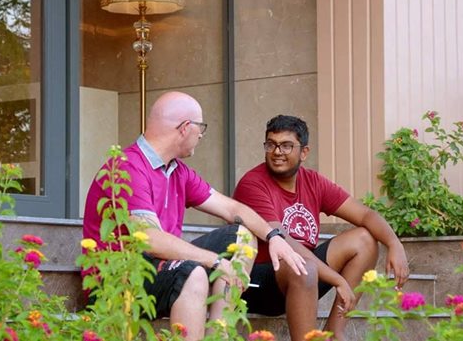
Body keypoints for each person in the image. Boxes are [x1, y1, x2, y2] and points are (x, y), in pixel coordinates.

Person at [82, 92, 307, 341]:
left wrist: (274, 236)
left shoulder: (179, 172)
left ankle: (217, 336)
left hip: (159, 267)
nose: (201, 135)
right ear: (185, 128)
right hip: (119, 280)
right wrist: (215, 261)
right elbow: (149, 239)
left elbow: (234, 210)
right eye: (200, 127)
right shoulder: (127, 166)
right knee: (194, 273)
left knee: (243, 236)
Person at [233, 115, 410, 341]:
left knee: (364, 239)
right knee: (304, 267)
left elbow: (365, 214)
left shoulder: (313, 182)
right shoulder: (253, 184)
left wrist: (394, 244)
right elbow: (284, 241)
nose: (277, 152)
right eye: (271, 144)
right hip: (258, 279)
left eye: (286, 145)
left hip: (303, 275)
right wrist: (338, 280)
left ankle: (335, 331)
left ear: (304, 152)